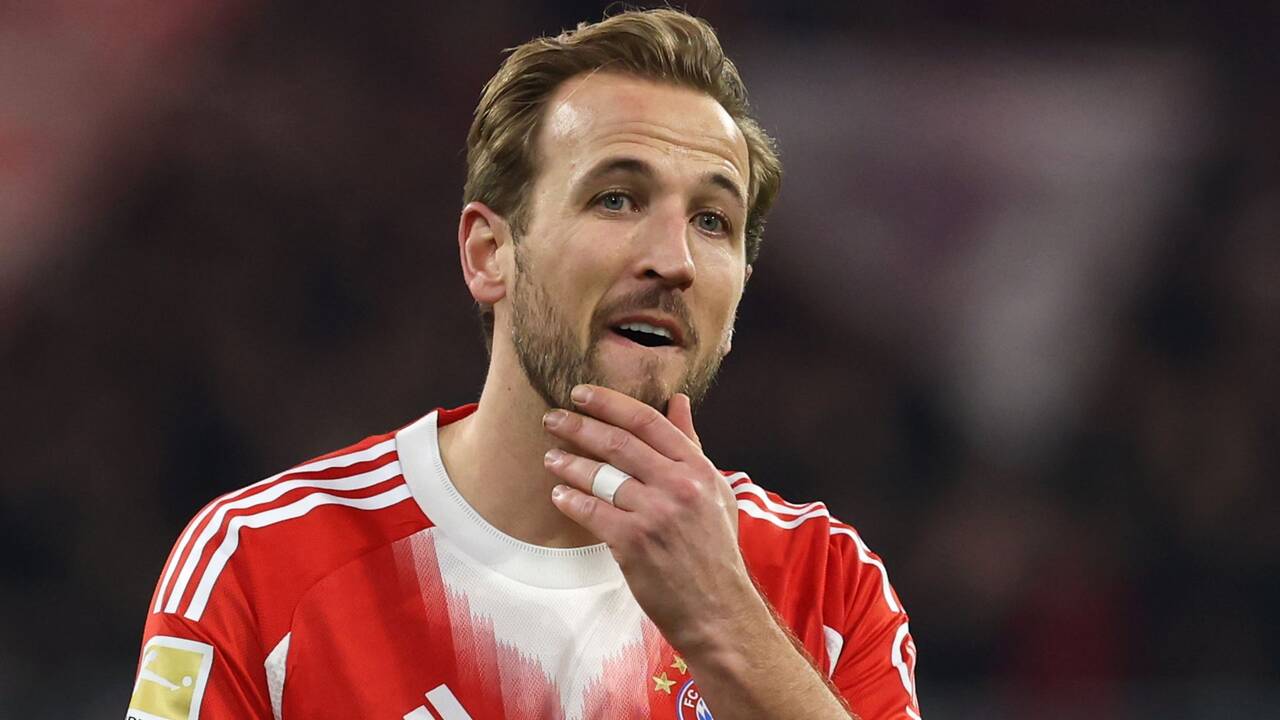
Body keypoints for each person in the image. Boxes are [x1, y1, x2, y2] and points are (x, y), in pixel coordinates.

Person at [128, 9, 920, 720]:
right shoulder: (261, 564)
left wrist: (726, 624)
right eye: (616, 198)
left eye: (713, 220)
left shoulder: (826, 585)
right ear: (489, 253)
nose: (674, 260)